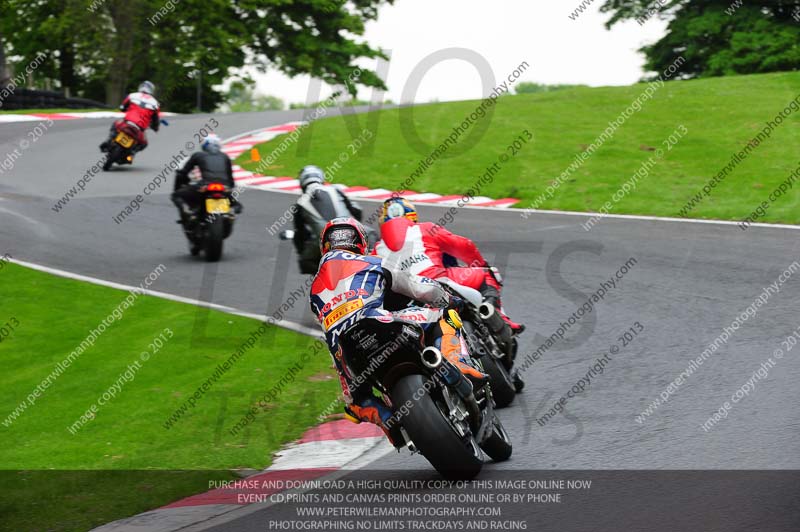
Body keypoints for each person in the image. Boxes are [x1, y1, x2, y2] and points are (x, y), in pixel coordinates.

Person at [309, 217, 486, 433]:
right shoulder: (374, 262)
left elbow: (330, 338)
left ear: (324, 246)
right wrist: (448, 299)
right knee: (444, 315)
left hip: (348, 354)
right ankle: (461, 365)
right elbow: (422, 290)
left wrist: (348, 388)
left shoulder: (314, 292)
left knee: (356, 404)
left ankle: (392, 426)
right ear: (359, 242)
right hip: (382, 325)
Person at [374, 197, 525, 334]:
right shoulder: (425, 228)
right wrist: (478, 263)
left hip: (406, 300)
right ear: (411, 215)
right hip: (439, 282)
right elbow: (465, 246)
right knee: (488, 273)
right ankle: (501, 319)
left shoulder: (375, 251)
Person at [291, 165, 365, 274]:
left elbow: (300, 234)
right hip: (352, 232)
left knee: (305, 261)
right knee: (374, 243)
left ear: (302, 183)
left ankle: (323, 277)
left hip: (325, 241)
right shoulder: (335, 190)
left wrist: (302, 249)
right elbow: (356, 209)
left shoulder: (300, 203)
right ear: (320, 178)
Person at [171, 133, 241, 224]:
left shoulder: (198, 155)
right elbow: (231, 180)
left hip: (205, 185)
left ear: (204, 145)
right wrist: (229, 188)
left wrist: (181, 181)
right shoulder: (225, 156)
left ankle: (186, 209)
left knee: (176, 195)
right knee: (237, 205)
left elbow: (183, 172)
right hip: (224, 187)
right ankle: (232, 211)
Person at [100, 81, 161, 153]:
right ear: (152, 90)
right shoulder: (155, 103)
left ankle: (109, 140)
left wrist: (125, 110)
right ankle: (132, 152)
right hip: (139, 128)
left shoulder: (132, 95)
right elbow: (156, 119)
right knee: (144, 143)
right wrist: (155, 127)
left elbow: (122, 107)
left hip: (127, 122)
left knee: (115, 125)